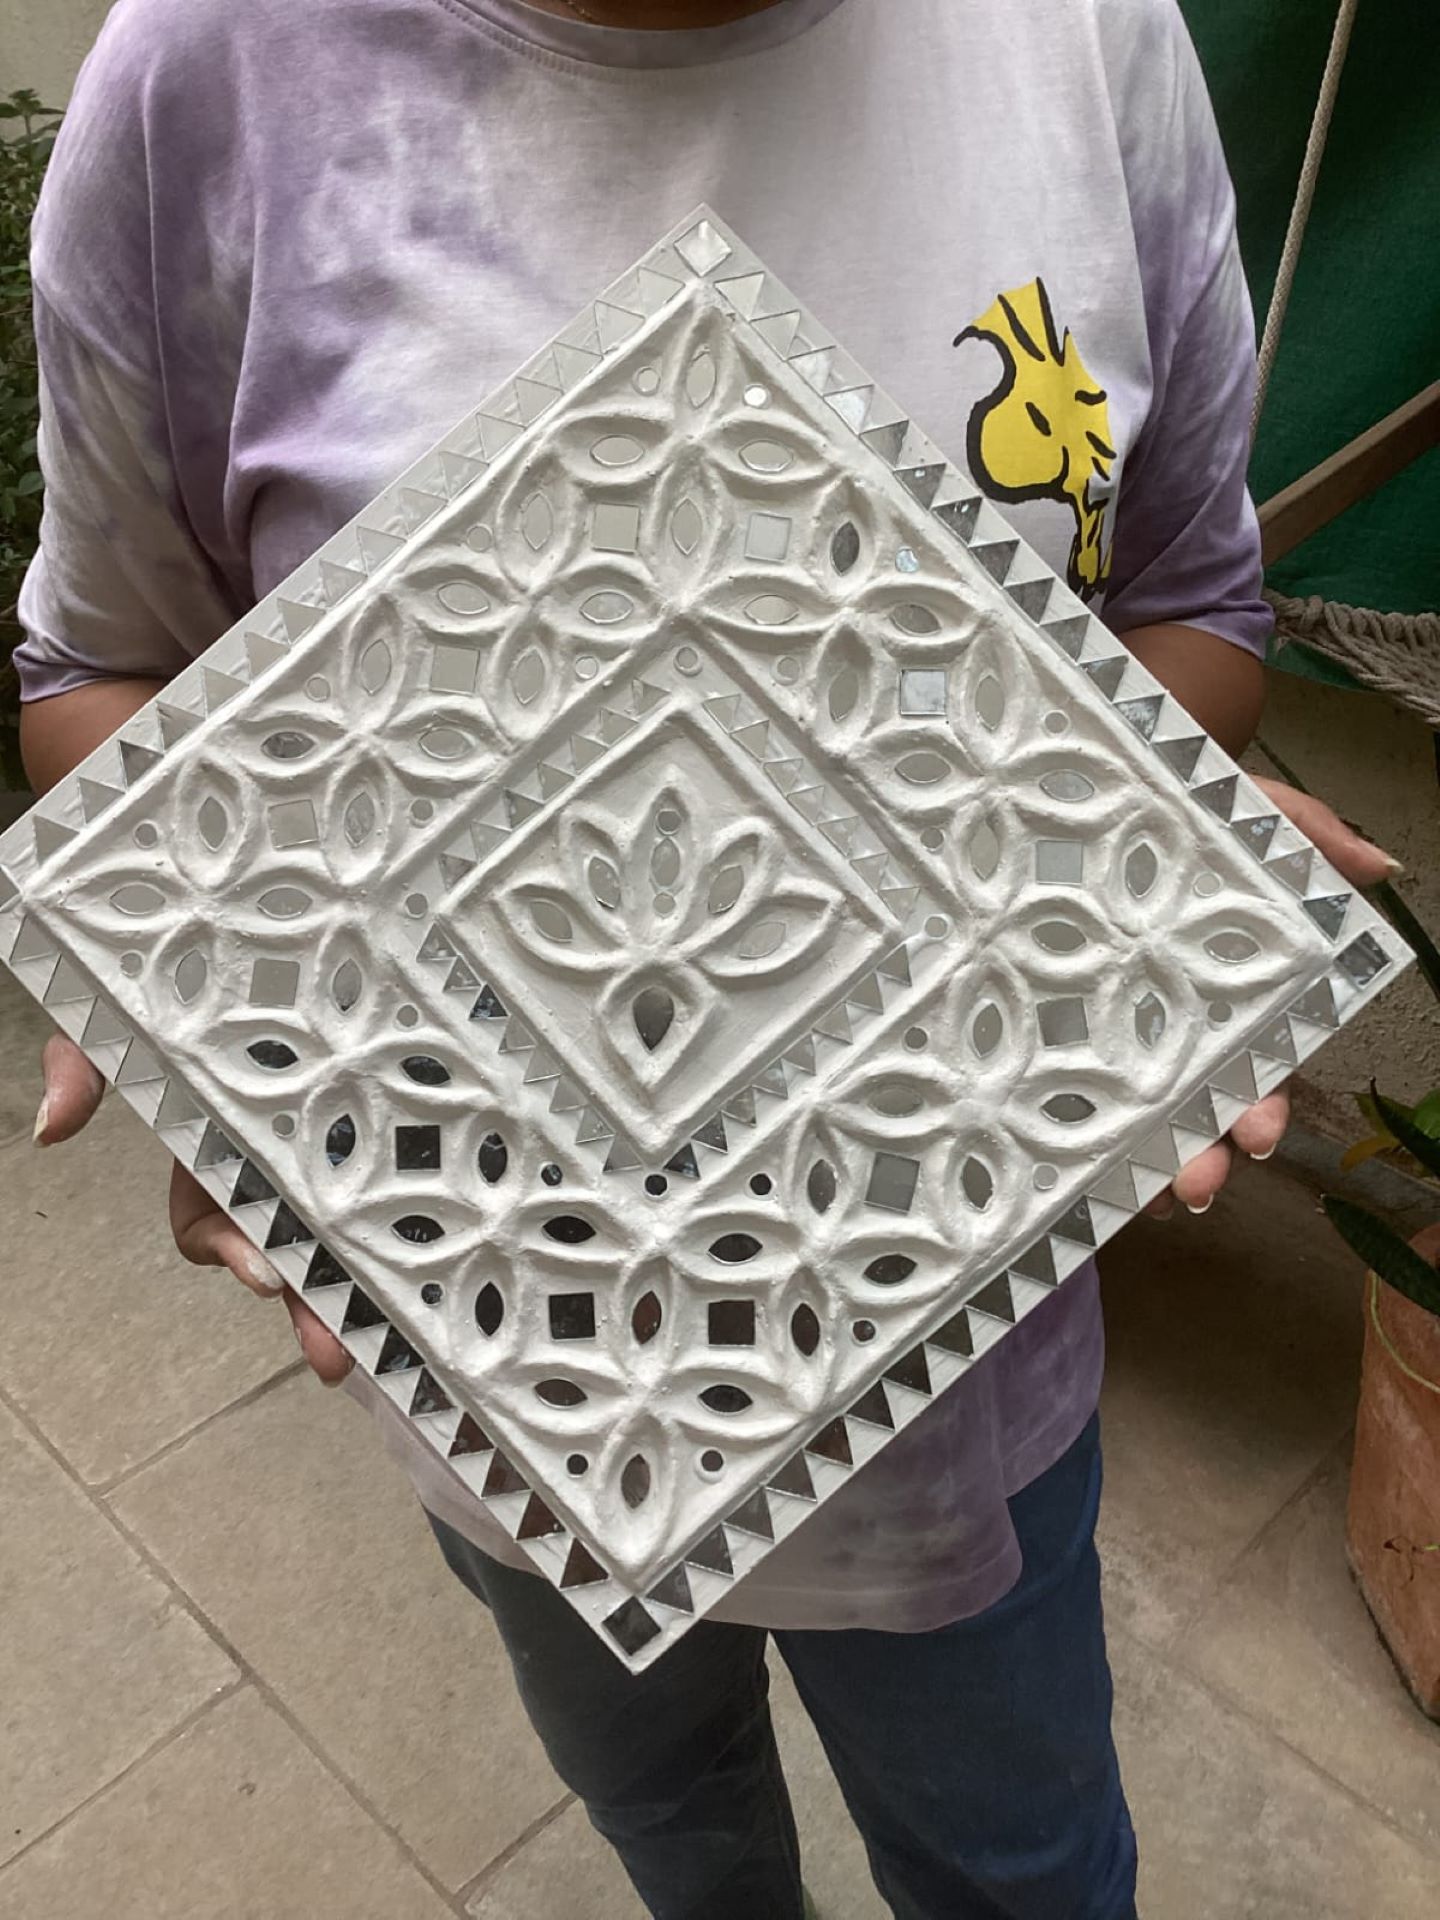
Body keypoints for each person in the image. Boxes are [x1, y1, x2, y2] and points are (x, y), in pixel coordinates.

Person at [16, 2, 1397, 1915]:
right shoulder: (212, 78)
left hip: (956, 1345)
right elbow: (99, 665)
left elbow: (1190, 596)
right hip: (518, 1351)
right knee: (674, 1822)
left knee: (1018, 1864)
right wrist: (215, 968)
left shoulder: (1082, 31)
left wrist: (1124, 822)